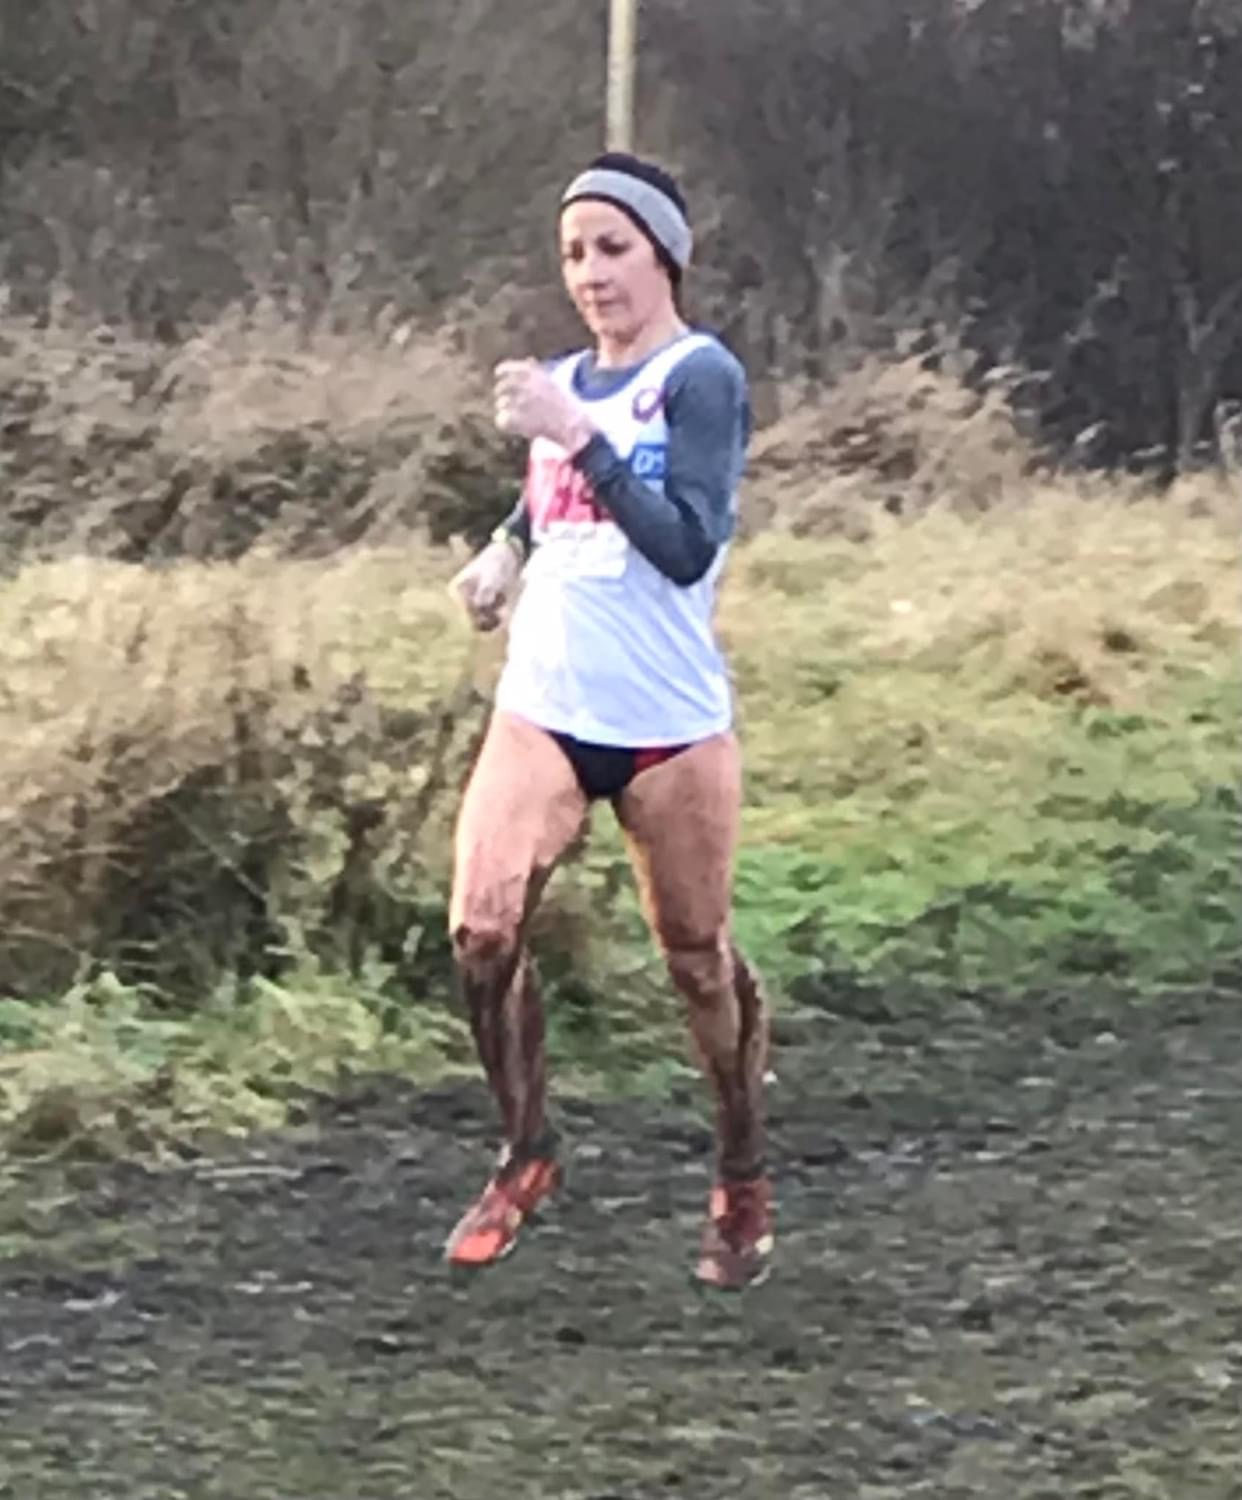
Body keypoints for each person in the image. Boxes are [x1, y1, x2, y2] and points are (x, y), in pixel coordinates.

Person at [445, 152, 772, 1289]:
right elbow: (549, 499)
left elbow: (683, 543)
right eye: (574, 252)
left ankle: (740, 1171)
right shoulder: (564, 381)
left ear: (664, 255)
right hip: (545, 705)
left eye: (614, 248)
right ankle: (526, 1150)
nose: (591, 273)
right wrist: (504, 550)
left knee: (696, 963)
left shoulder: (701, 377)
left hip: (667, 724)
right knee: (482, 933)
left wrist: (576, 431)